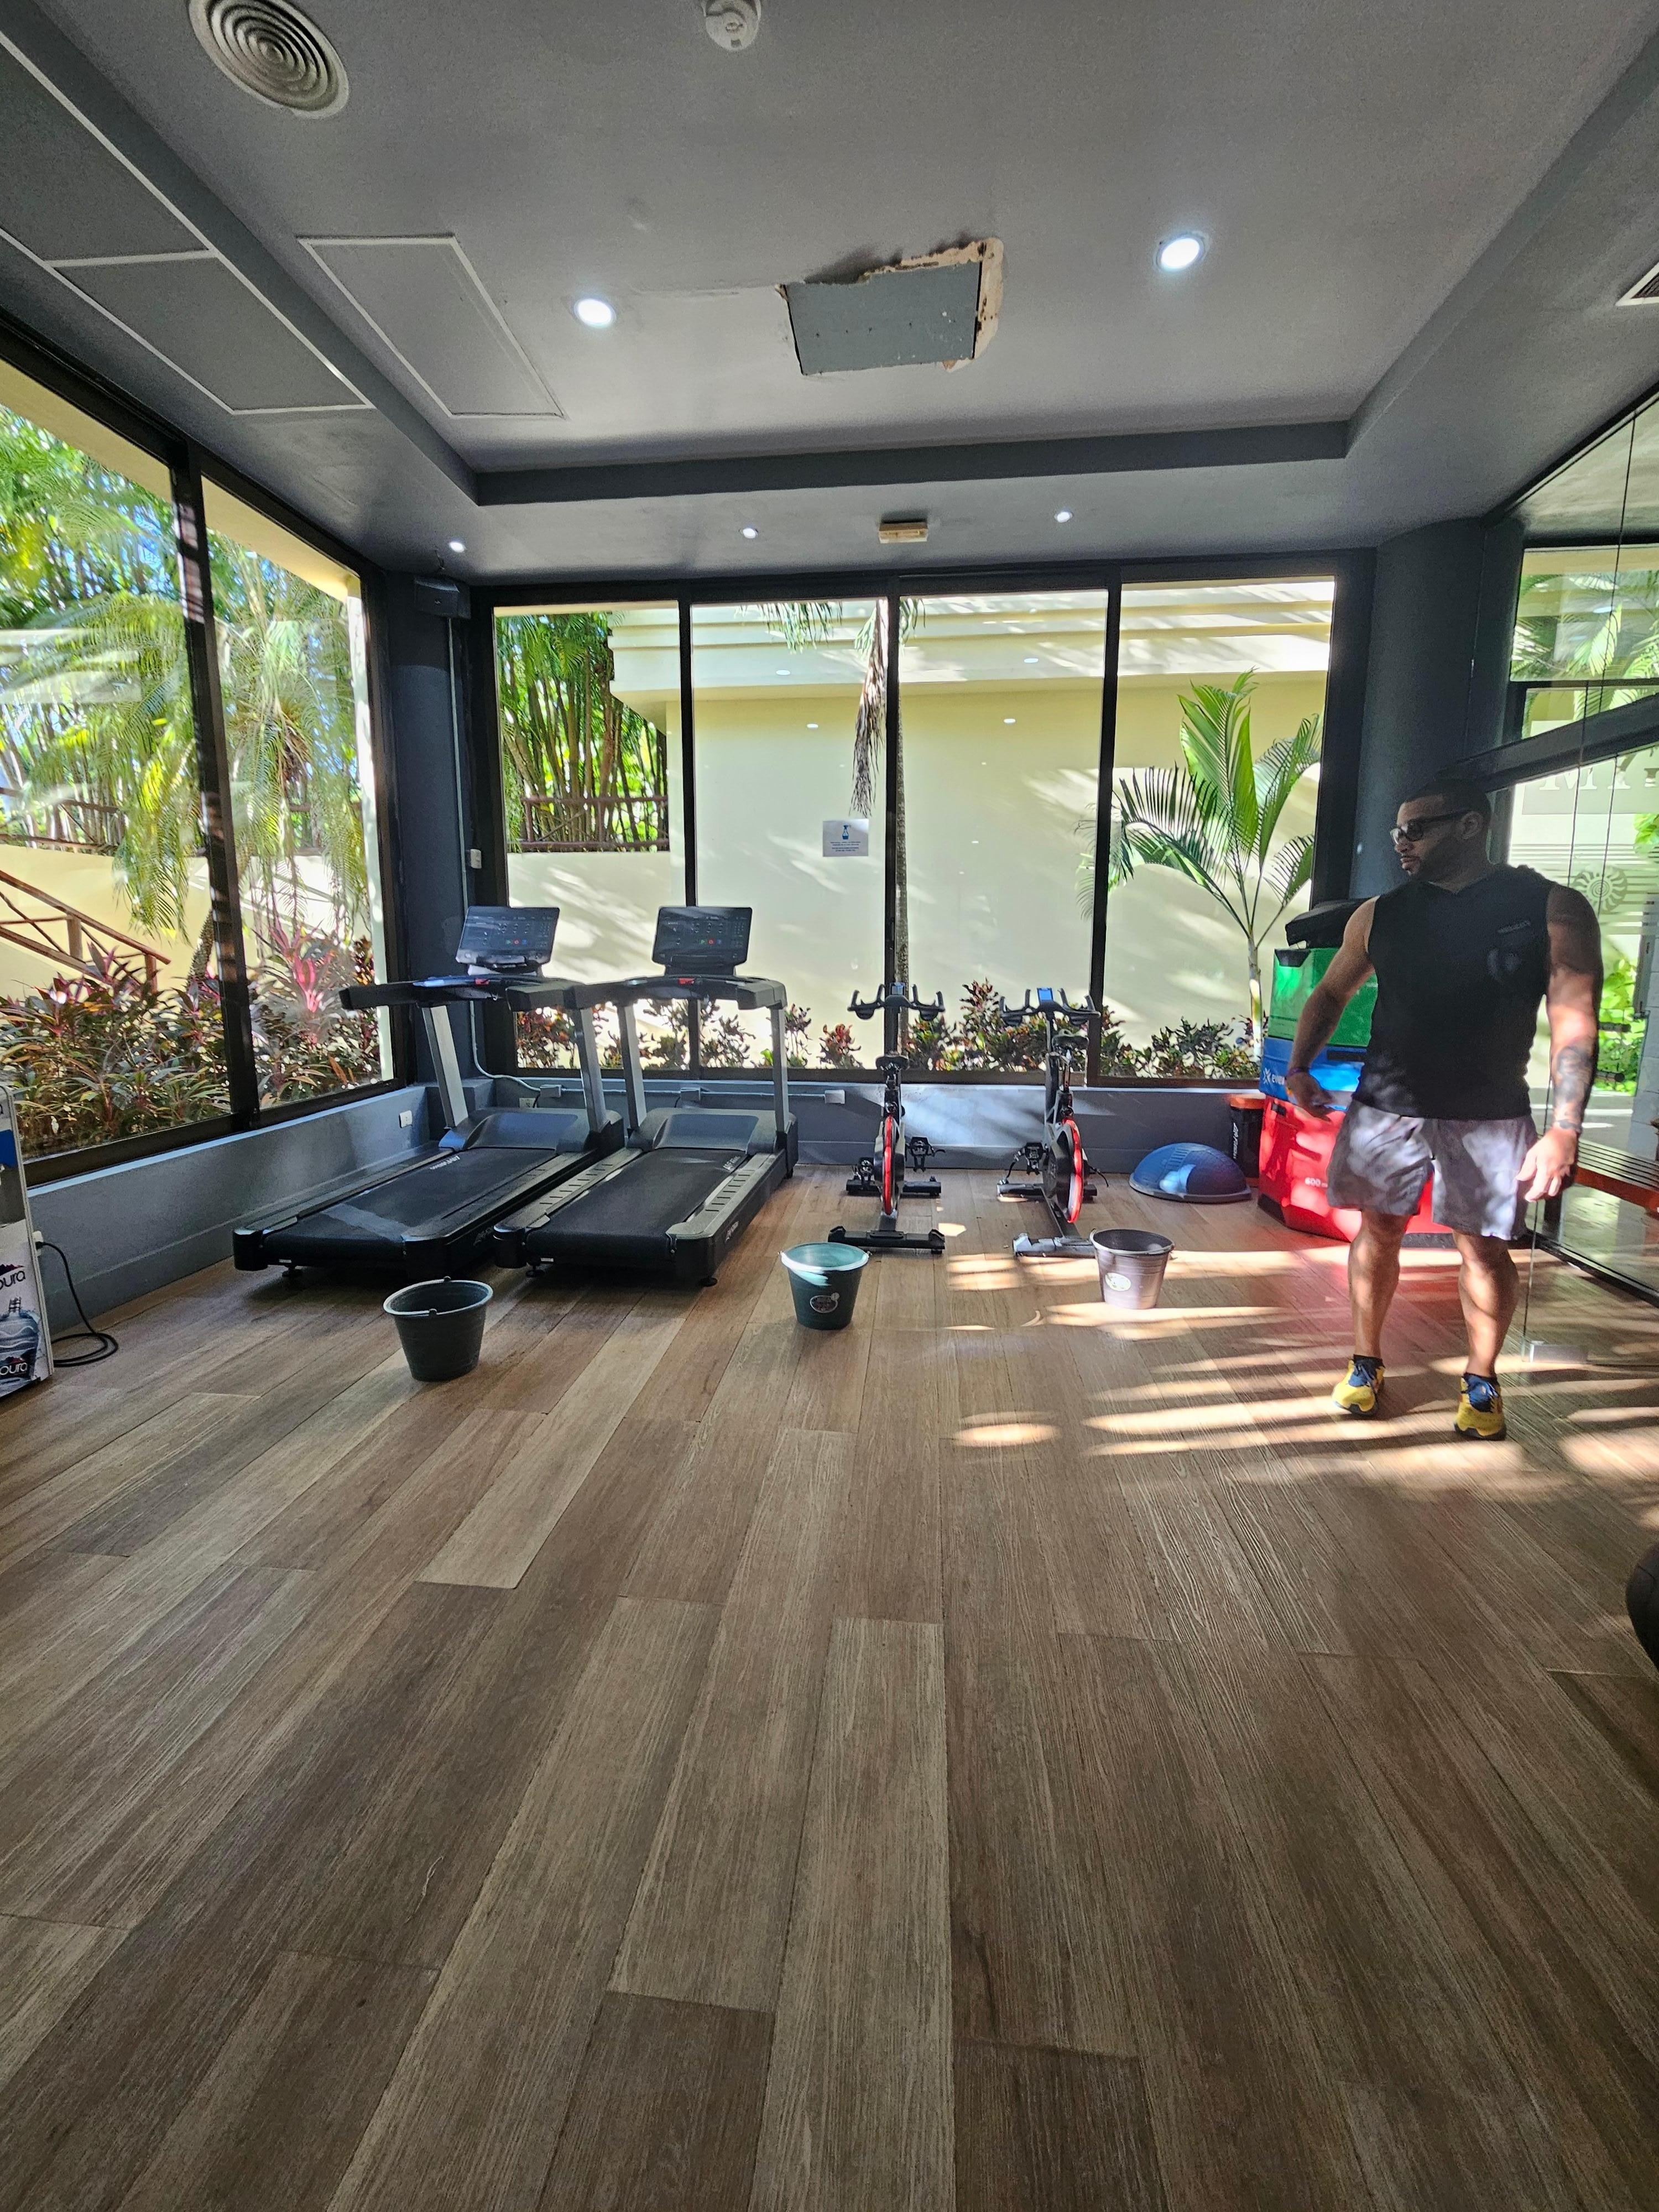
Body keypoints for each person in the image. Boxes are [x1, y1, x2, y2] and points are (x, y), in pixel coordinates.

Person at [1285, 775, 1601, 1439]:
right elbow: (1330, 994)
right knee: (1378, 1233)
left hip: (1489, 1113)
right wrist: (1298, 1066)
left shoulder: (1552, 907)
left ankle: (1482, 1381)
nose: (1402, 841)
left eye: (1417, 828)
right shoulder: (1380, 913)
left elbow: (1575, 1019)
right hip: (1385, 1106)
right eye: (1398, 829)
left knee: (1484, 1250)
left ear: (1470, 826)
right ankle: (1366, 1363)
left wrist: (1565, 1128)